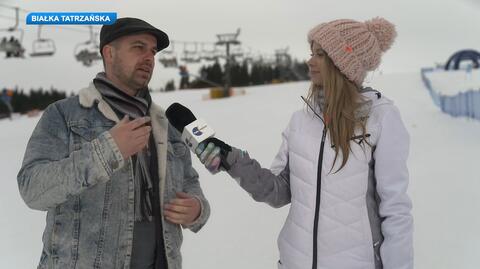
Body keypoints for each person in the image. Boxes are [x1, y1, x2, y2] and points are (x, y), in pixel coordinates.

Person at [195, 17, 413, 269]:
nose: (310, 61)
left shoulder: (381, 118)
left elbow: (395, 210)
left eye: (320, 54)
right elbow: (277, 191)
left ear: (343, 62)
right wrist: (231, 160)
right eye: (312, 52)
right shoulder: (301, 121)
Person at [17, 17, 210, 269]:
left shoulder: (165, 124)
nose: (149, 57)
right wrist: (107, 152)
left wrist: (197, 209)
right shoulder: (64, 115)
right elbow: (32, 189)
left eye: (152, 51)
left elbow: (189, 183)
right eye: (138, 47)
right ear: (109, 52)